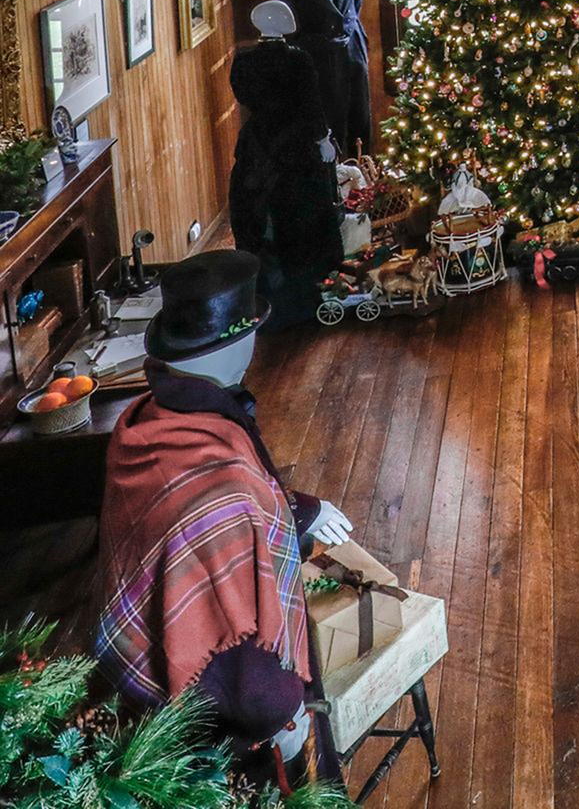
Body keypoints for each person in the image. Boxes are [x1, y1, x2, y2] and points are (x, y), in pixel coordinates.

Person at [95, 251, 355, 781]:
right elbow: (239, 660)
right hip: (216, 741)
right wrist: (287, 715)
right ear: (241, 341)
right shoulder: (224, 496)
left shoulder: (144, 418)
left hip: (139, 688)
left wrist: (297, 509)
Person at [229, 0, 342, 326]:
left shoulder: (244, 62)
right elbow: (311, 106)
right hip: (296, 146)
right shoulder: (297, 60)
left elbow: (244, 97)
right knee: (302, 216)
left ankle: (267, 297)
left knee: (259, 214)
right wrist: (323, 141)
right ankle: (304, 296)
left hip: (258, 143)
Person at [275, 0, 373, 158]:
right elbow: (293, 33)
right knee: (332, 122)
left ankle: (366, 176)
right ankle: (337, 181)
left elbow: (355, 7)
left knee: (361, 118)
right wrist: (323, 44)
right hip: (323, 65)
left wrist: (350, 38)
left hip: (353, 54)